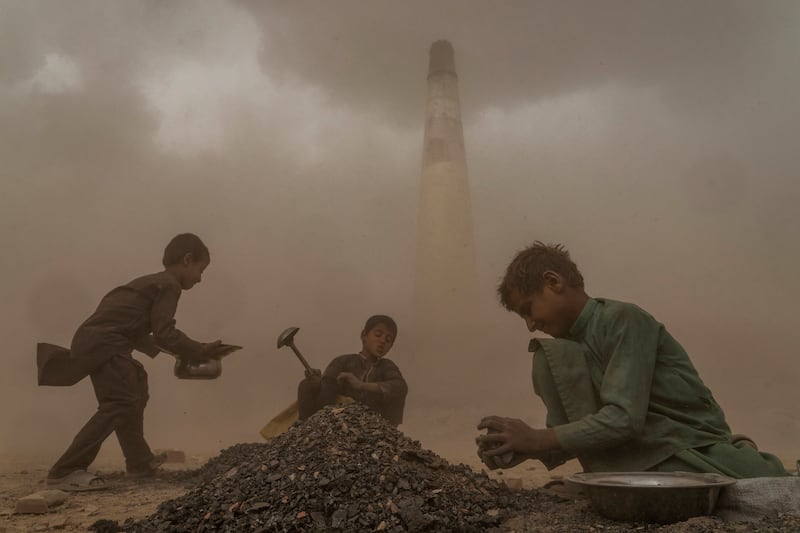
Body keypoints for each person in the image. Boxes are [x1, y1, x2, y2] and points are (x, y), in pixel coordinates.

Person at [476, 241, 789, 479]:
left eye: (528, 309)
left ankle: (742, 454)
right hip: (630, 454)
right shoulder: (567, 349)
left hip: (684, 444)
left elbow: (624, 419)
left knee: (754, 478)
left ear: (553, 282)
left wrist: (538, 439)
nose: (530, 325)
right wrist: (520, 448)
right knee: (547, 356)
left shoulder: (624, 319)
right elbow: (573, 435)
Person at [45, 233, 232, 491]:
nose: (200, 278)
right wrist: (198, 349)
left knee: (136, 387)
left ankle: (139, 462)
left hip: (101, 341)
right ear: (187, 260)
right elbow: (164, 332)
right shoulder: (169, 285)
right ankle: (64, 471)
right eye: (201, 270)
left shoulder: (153, 283)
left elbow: (143, 333)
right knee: (119, 401)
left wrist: (180, 353)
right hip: (104, 342)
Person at [297, 315, 408, 426]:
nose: (383, 341)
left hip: (374, 426)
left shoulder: (387, 366)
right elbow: (327, 388)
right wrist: (318, 382)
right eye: (378, 335)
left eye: (388, 340)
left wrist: (361, 385)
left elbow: (400, 387)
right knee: (307, 385)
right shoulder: (343, 361)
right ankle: (306, 427)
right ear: (363, 335)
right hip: (339, 422)